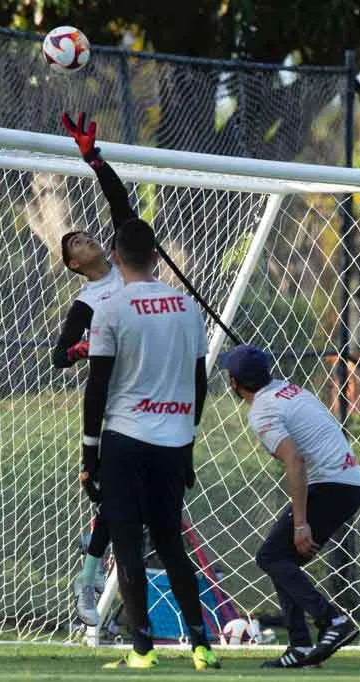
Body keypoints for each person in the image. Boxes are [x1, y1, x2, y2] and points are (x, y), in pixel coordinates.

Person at [80, 209, 218, 669]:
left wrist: (89, 454)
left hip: (125, 439)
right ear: (156, 257)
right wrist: (188, 440)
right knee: (171, 542)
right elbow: (198, 383)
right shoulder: (187, 307)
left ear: (116, 258)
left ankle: (143, 650)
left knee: (127, 543)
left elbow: (97, 386)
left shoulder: (111, 309)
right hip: (174, 442)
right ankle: (201, 644)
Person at [217, 344, 360, 669]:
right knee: (281, 559)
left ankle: (332, 621)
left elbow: (294, 460)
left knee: (270, 556)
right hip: (348, 483)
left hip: (332, 486)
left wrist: (301, 523)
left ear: (234, 382)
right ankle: (299, 645)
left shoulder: (261, 410)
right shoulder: (286, 388)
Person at [52, 230, 123, 626]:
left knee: (144, 501)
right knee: (120, 493)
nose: (86, 239)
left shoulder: (128, 266)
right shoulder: (86, 302)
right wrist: (85, 346)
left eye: (85, 235)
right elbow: (60, 357)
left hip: (153, 390)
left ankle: (96, 546)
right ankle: (90, 573)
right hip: (116, 400)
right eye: (75, 243)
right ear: (74, 264)